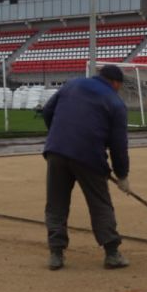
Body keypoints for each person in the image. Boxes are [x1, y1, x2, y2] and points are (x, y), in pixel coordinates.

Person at [41, 64, 130, 271]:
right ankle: (112, 253)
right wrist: (122, 175)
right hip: (88, 157)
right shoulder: (115, 103)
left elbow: (47, 111)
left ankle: (56, 254)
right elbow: (119, 145)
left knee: (56, 204)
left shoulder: (72, 85)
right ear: (116, 83)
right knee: (100, 204)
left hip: (56, 151)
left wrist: (58, 135)